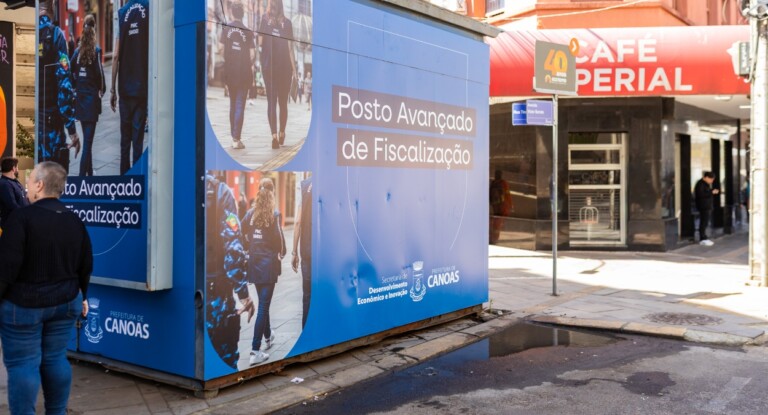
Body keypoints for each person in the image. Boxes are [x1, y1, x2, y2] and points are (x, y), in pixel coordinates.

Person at [0, 161, 92, 415]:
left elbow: (6, 267)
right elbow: (85, 263)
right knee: (55, 358)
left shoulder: (21, 218)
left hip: (23, 306)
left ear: (39, 185)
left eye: (30, 181)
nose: (27, 187)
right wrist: (83, 294)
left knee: (23, 364)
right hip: (66, 302)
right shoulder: (74, 220)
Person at [205, 173, 253, 368]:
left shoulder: (177, 183)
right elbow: (233, 251)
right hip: (216, 294)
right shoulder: (219, 191)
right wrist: (244, 295)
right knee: (224, 357)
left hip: (181, 291)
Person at [242, 178, 286, 365]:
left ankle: (268, 336)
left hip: (254, 265)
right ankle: (254, 350)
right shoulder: (274, 215)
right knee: (263, 307)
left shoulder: (250, 214)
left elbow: (241, 230)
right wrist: (280, 253)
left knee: (263, 303)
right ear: (272, 193)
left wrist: (249, 246)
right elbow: (278, 240)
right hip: (268, 267)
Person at [38, 0, 80, 173]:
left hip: (27, 126)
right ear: (52, 6)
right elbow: (64, 87)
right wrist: (72, 130)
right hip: (51, 129)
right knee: (51, 180)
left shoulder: (28, 30)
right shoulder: (55, 35)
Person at [111, 0, 149, 174]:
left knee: (125, 141)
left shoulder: (121, 13)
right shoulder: (149, 8)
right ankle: (137, 179)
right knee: (138, 140)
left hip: (125, 88)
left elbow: (115, 55)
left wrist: (112, 88)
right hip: (142, 87)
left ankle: (124, 181)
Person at [71, 14, 106, 176]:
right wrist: (102, 89)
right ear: (94, 30)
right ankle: (81, 179)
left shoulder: (77, 52)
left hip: (80, 102)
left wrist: (75, 85)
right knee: (87, 145)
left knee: (87, 141)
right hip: (91, 103)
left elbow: (70, 69)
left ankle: (90, 175)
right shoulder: (96, 52)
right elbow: (100, 76)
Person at [259, 0, 297, 149]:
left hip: (269, 67)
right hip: (285, 69)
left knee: (271, 102)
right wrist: (294, 70)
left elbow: (260, 43)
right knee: (283, 103)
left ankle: (274, 136)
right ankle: (282, 133)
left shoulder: (264, 20)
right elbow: (290, 49)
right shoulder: (287, 23)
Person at [220, 2, 255, 150]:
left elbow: (221, 49)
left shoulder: (226, 29)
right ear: (243, 14)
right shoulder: (248, 32)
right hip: (244, 72)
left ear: (232, 12)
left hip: (230, 71)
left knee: (232, 104)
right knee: (240, 103)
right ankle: (236, 139)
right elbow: (252, 55)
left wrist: (229, 59)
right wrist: (246, 61)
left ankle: (233, 136)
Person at [292, 176, 311, 328]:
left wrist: (294, 252)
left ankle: (306, 328)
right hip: (326, 253)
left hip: (307, 250)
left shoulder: (304, 186)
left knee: (307, 294)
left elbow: (298, 221)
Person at [0, 157, 29, 229]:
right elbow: (12, 205)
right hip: (12, 225)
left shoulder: (14, 182)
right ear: (13, 168)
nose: (18, 169)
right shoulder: (4, 184)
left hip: (20, 223)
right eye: (17, 167)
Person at [694, 171, 719, 246]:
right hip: (703, 206)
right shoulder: (700, 184)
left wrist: (711, 191)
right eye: (711, 179)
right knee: (703, 222)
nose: (711, 181)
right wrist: (711, 192)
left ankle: (704, 236)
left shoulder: (705, 184)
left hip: (707, 206)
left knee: (705, 222)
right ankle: (702, 238)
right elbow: (701, 194)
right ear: (706, 177)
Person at [489, 170, 511, 244]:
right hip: (498, 205)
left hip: (498, 205)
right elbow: (507, 194)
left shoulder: (496, 183)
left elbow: (507, 194)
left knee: (496, 222)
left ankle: (493, 238)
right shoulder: (501, 183)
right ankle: (494, 238)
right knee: (497, 222)